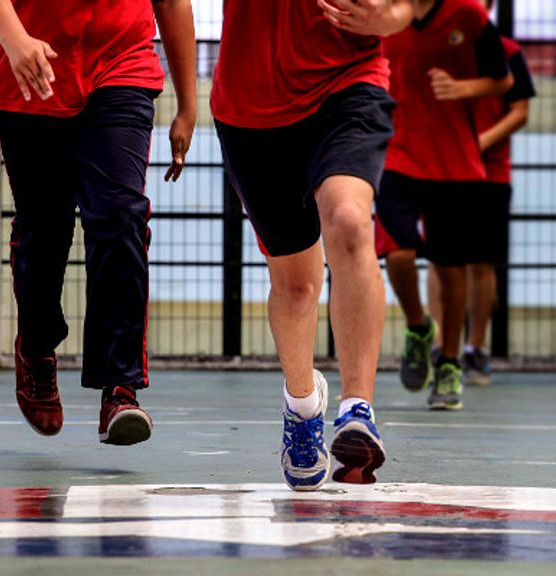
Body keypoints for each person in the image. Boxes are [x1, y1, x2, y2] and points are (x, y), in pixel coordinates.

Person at [0, 0, 197, 444]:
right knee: (45, 229)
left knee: (120, 216)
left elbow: (172, 3)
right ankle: (36, 350)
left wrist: (188, 107)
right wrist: (15, 41)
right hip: (32, 69)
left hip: (122, 69)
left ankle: (120, 387)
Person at [213, 0, 413, 489]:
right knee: (297, 286)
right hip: (251, 108)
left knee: (348, 221)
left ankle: (357, 409)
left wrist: (391, 16)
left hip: (348, 83)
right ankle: (303, 406)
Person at [376, 0, 513, 410]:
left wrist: (463, 88)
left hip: (455, 162)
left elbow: (502, 81)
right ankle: (419, 328)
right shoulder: (380, 13)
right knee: (399, 255)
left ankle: (450, 364)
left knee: (452, 270)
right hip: (395, 156)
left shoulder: (468, 15)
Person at [427, 0, 536, 387]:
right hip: (440, 169)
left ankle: (475, 348)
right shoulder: (433, 45)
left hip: (490, 174)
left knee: (481, 261)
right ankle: (440, 344)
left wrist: (477, 142)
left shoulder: (507, 51)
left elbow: (520, 110)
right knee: (442, 259)